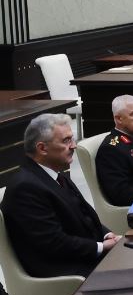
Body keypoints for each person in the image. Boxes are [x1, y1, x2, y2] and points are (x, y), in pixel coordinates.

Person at [1, 114, 116, 278]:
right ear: (42, 148)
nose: (74, 146)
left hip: (84, 257)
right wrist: (101, 247)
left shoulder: (54, 174)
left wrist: (106, 235)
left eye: (72, 139)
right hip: (67, 273)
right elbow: (53, 243)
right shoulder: (25, 188)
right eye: (66, 141)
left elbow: (85, 215)